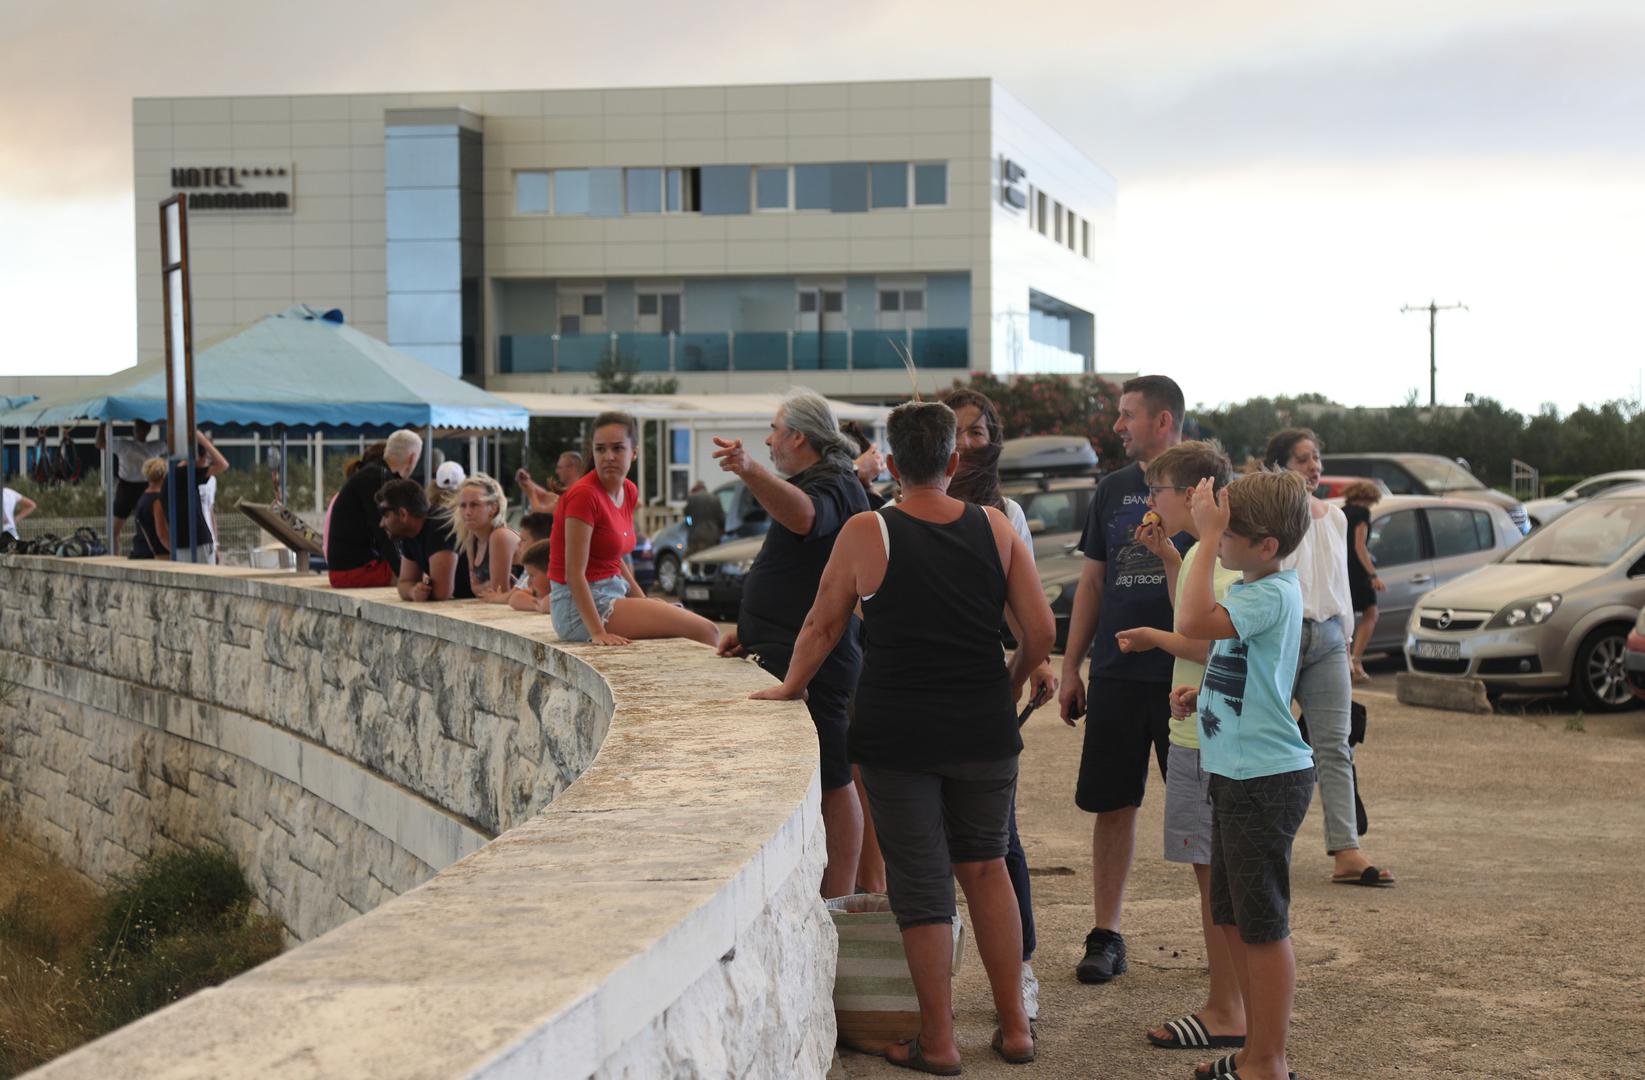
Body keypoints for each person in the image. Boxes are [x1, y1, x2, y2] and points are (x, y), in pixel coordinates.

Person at [749, 400, 1055, 1072]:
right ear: (952, 461)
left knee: (920, 886)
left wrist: (789, 686)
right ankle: (1014, 1031)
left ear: (888, 464)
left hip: (896, 732)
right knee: (986, 867)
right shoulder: (996, 528)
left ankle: (938, 1043)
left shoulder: (866, 530)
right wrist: (1007, 683)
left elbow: (822, 627)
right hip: (982, 727)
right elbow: (1040, 633)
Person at [1171, 470, 1314, 1080]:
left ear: (1266, 546)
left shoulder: (1270, 593)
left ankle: (1268, 1061)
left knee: (1262, 924)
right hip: (1237, 772)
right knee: (1232, 915)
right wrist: (1199, 697)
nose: (1222, 544)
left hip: (1264, 779)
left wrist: (1201, 540)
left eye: (1230, 535)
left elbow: (1193, 620)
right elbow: (1232, 661)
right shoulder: (1257, 587)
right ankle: (1258, 1048)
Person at [1113, 441, 1249, 1053]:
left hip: (1208, 737)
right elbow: (1188, 610)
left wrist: (1153, 639)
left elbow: (1209, 644)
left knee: (1215, 880)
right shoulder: (1202, 551)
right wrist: (1171, 556)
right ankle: (1231, 999)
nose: (1149, 502)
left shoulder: (1225, 556)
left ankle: (1227, 1008)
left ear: (1194, 490)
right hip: (1198, 730)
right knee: (1212, 876)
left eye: (1158, 491)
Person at [712, 389, 870, 899]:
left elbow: (806, 517)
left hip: (820, 662)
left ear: (800, 436)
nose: (769, 438)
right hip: (783, 650)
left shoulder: (835, 482)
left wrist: (748, 469)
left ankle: (837, 894)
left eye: (776, 429)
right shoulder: (820, 479)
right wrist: (752, 629)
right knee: (824, 775)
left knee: (833, 777)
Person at [1058, 374, 1188, 984]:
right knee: (1113, 803)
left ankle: (1226, 938)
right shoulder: (1112, 489)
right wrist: (1070, 667)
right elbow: (1091, 583)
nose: (1117, 426)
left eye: (1128, 415)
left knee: (1198, 808)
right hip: (1115, 674)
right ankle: (1106, 934)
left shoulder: (1211, 483)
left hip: (1188, 677)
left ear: (1163, 421)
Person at [940, 385, 1058, 1021]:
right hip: (917, 693)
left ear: (994, 439)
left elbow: (1026, 613)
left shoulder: (1006, 514)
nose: (965, 443)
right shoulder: (895, 506)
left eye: (976, 432)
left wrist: (1026, 667)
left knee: (996, 839)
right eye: (954, 432)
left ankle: (1019, 969)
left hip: (982, 689)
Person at [1265, 429, 1394, 887]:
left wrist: (1344, 639)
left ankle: (1346, 850)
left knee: (1334, 745)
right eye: (1303, 460)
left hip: (1327, 639)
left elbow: (1340, 584)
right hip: (1280, 635)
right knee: (1271, 745)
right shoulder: (1270, 514)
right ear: (1279, 466)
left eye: (1316, 458)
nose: (1314, 467)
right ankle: (1263, 843)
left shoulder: (1337, 518)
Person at [547, 412, 718, 646]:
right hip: (577, 609)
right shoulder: (584, 495)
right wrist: (598, 633)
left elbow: (613, 559)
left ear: (634, 452)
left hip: (610, 593)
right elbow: (573, 573)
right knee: (706, 631)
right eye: (600, 449)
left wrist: (643, 600)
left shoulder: (628, 491)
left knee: (692, 623)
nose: (608, 456)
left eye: (617, 448)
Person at [327, 429, 421, 588]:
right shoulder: (379, 478)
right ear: (412, 459)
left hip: (345, 569)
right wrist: (406, 576)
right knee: (417, 573)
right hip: (354, 572)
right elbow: (386, 534)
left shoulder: (373, 473)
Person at [378, 477, 468, 602]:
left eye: (385, 515)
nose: (381, 524)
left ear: (403, 514)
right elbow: (404, 583)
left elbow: (442, 593)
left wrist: (421, 589)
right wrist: (413, 591)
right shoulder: (409, 532)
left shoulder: (439, 527)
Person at [96, 420, 167, 555]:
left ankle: (118, 556)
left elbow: (100, 443)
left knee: (117, 531)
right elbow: (172, 443)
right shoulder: (151, 446)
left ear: (135, 429)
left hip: (134, 487)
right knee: (120, 530)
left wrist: (103, 423)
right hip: (136, 487)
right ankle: (117, 556)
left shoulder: (126, 445)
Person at [1340, 481, 1386, 683]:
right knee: (1371, 613)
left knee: (1345, 615)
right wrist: (1373, 575)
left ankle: (1345, 660)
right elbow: (1360, 546)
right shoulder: (1362, 514)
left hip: (1342, 568)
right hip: (1357, 571)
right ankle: (1356, 660)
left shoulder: (1342, 511)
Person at [157, 430, 226, 562]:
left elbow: (210, 512)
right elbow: (222, 464)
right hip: (198, 542)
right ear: (199, 458)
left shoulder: (172, 476)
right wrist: (204, 441)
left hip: (181, 543)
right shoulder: (187, 474)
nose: (207, 463)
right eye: (206, 459)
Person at [452, 474, 520, 601]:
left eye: (474, 505)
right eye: (463, 505)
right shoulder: (471, 539)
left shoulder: (500, 536)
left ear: (493, 508)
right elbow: (474, 589)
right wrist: (489, 586)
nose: (467, 512)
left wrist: (489, 587)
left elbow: (498, 591)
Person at [191, 430, 231, 564]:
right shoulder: (190, 475)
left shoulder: (212, 480)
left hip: (207, 538)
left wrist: (216, 544)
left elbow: (210, 510)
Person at [517, 451, 583, 515]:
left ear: (571, 469)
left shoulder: (573, 494)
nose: (557, 471)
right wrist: (526, 481)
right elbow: (544, 496)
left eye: (560, 467)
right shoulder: (571, 490)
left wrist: (531, 494)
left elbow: (538, 513)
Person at [129, 457, 169, 560]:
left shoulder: (144, 497)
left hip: (140, 550)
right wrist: (174, 550)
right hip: (154, 554)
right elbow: (162, 534)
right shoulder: (157, 500)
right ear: (163, 476)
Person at [684, 480, 725, 555]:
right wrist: (721, 531)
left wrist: (690, 526)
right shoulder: (715, 499)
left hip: (695, 537)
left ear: (696, 489)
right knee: (710, 561)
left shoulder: (691, 499)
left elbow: (687, 518)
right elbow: (721, 519)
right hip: (712, 536)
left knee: (695, 560)